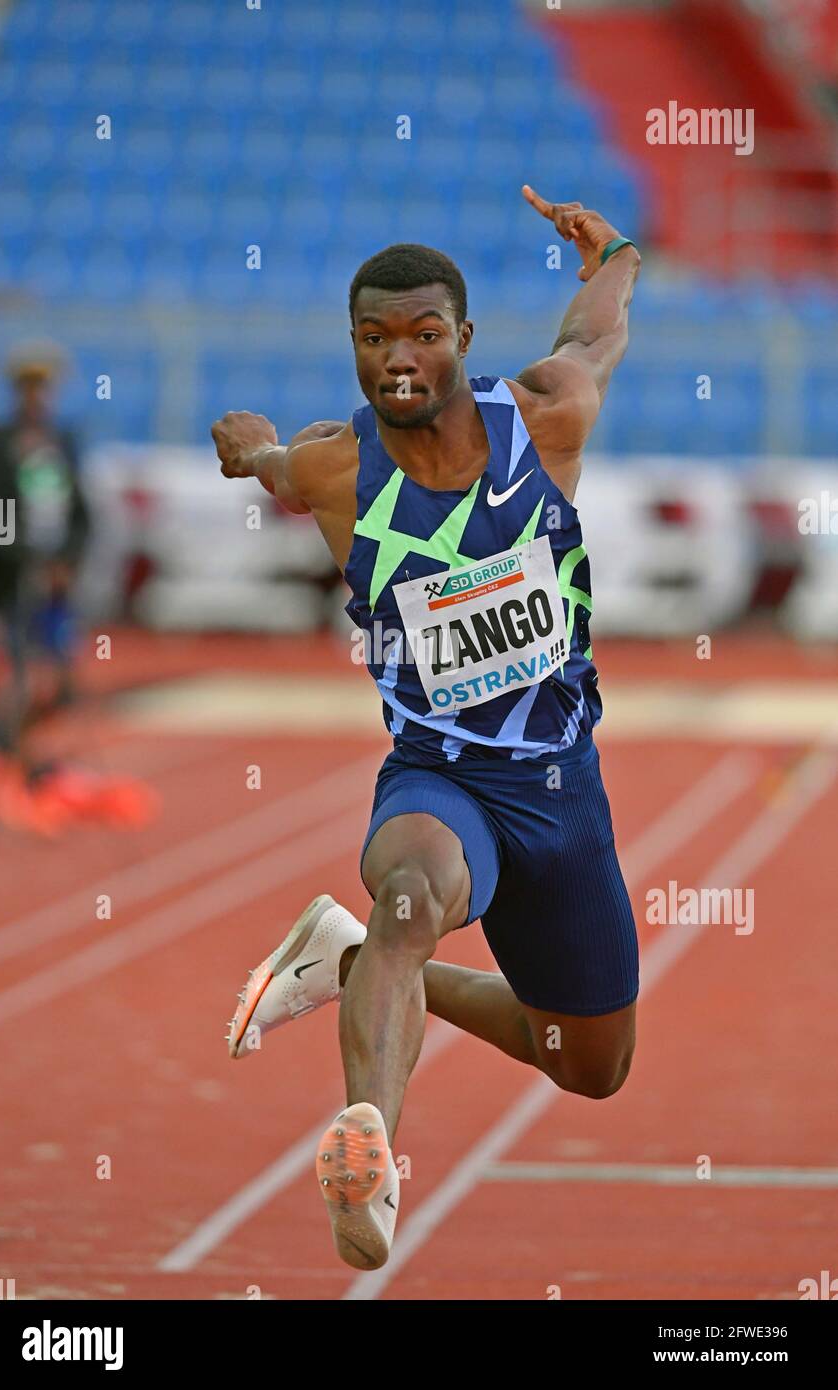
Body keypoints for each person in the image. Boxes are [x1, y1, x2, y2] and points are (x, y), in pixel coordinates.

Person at [212, 191, 642, 1272]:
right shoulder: (334, 470)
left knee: (588, 1062)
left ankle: (343, 958)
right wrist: (253, 446)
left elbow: (593, 331)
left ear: (461, 340)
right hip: (437, 781)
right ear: (352, 346)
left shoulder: (543, 419)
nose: (395, 359)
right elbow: (267, 464)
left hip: (558, 788)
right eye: (371, 339)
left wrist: (616, 252)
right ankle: (372, 1154)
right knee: (408, 902)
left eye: (420, 335)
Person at [0, 347, 90, 830]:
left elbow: (81, 511)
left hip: (55, 585)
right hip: (12, 583)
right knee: (16, 675)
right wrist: (22, 563)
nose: (37, 396)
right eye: (29, 388)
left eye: (44, 388)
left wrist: (67, 560)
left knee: (57, 679)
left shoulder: (61, 441)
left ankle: (25, 758)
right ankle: (8, 767)